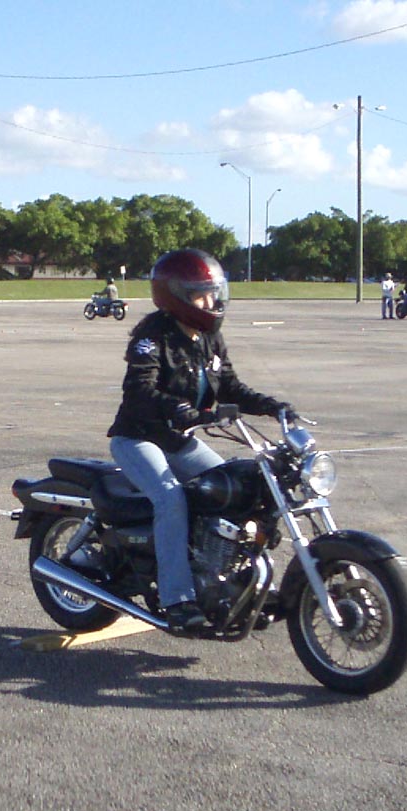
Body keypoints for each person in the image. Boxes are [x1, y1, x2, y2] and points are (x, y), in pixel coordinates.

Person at [107, 248, 293, 632]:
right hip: (139, 438)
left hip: (181, 441)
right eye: (202, 295)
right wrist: (178, 408)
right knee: (171, 498)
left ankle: (234, 584)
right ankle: (178, 599)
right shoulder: (152, 337)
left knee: (236, 490)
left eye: (214, 292)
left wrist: (271, 406)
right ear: (176, 295)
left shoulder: (210, 337)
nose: (213, 302)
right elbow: (139, 390)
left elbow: (231, 386)